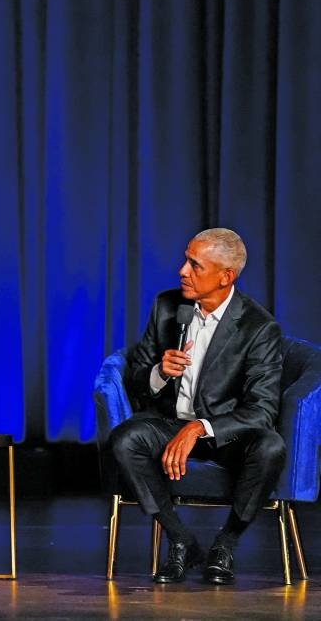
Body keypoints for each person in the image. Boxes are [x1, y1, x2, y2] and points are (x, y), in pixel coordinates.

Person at [109, 228, 285, 585]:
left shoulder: (258, 327)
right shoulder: (167, 306)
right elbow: (136, 376)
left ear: (225, 277)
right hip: (172, 422)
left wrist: (201, 427)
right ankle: (181, 540)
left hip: (226, 433)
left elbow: (263, 410)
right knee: (126, 439)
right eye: (185, 260)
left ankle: (226, 543)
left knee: (271, 446)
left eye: (194, 265)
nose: (182, 271)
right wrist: (159, 372)